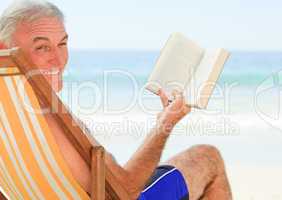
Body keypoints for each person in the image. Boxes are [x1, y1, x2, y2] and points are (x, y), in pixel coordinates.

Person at [0, 1, 232, 199]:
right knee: (207, 157)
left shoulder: (8, 113)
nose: (59, 60)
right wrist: (166, 123)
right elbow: (127, 189)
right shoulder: (47, 114)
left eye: (62, 43)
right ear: (3, 48)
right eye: (42, 47)